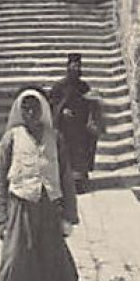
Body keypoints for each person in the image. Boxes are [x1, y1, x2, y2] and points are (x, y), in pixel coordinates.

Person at [0, 88, 82, 281]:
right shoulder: (11, 138)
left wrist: (69, 215)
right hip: (20, 205)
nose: (30, 113)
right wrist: (0, 217)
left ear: (42, 110)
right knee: (16, 257)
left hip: (47, 206)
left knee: (45, 257)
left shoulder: (55, 137)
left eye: (35, 108)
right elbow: (0, 179)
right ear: (20, 111)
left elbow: (65, 176)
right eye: (26, 108)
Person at [50, 54, 105, 193]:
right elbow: (52, 104)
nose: (76, 69)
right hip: (65, 128)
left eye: (78, 66)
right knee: (66, 155)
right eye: (73, 66)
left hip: (80, 128)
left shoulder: (83, 86)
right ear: (68, 67)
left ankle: (80, 183)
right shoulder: (59, 86)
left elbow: (90, 103)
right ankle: (66, 183)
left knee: (80, 156)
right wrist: (61, 111)